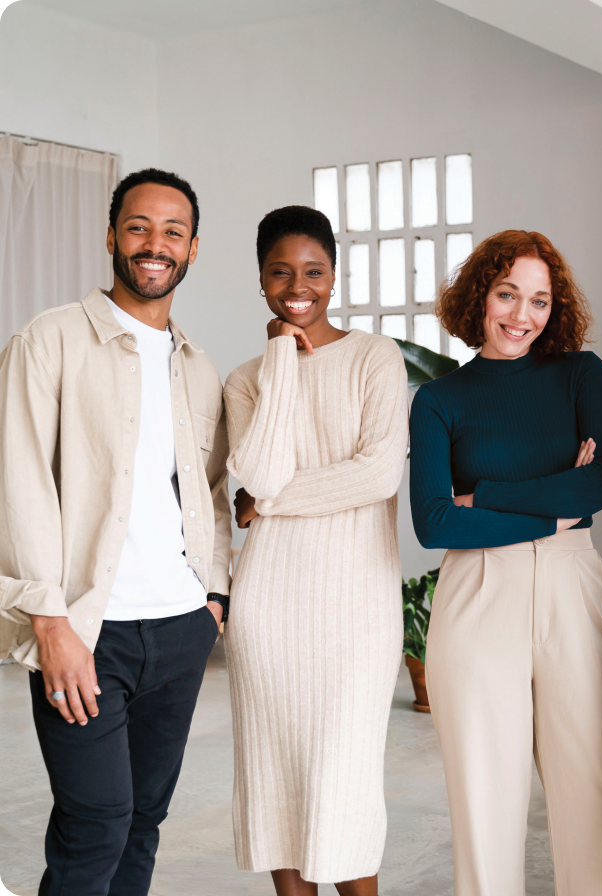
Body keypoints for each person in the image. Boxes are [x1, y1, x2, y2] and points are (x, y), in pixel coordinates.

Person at [0, 168, 232, 895]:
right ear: (111, 236)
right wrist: (49, 619)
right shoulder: (50, 339)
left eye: (172, 232)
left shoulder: (198, 366)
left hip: (180, 626)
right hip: (86, 629)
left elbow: (210, 493)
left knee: (143, 820)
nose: (153, 244)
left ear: (193, 249)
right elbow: (18, 482)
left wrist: (213, 598)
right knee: (96, 819)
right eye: (138, 227)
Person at [409, 230, 602, 896]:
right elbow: (435, 521)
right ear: (480, 297)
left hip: (571, 585)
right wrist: (552, 502)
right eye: (507, 294)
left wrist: (491, 497)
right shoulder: (438, 401)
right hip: (477, 597)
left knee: (596, 794)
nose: (521, 316)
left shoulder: (578, 376)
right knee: (486, 804)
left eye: (539, 300)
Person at [223, 206, 408, 896]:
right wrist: (280, 354)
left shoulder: (373, 356)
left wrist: (266, 503)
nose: (297, 286)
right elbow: (264, 468)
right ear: (262, 282)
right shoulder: (248, 378)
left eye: (313, 271)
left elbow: (378, 473)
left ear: (334, 276)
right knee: (276, 777)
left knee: (345, 781)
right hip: (269, 604)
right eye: (281, 272)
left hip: (357, 604)